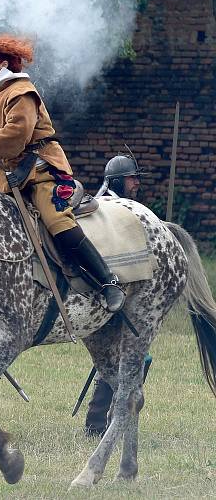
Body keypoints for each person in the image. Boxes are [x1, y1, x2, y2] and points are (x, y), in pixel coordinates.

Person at [0, 33, 125, 313]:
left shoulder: (22, 93)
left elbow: (15, 136)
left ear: (2, 64)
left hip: (40, 172)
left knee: (57, 222)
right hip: (2, 177)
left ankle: (108, 282)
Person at [85, 154, 150, 436]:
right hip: (107, 293)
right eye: (131, 178)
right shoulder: (104, 207)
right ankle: (99, 423)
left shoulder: (127, 207)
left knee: (128, 358)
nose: (136, 182)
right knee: (125, 358)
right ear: (116, 181)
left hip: (125, 290)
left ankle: (103, 421)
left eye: (136, 177)